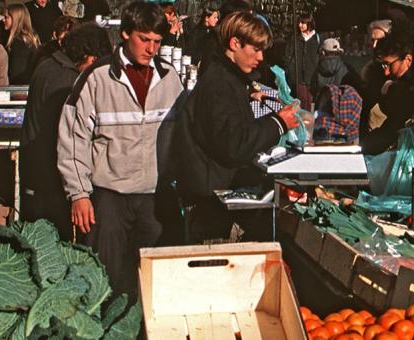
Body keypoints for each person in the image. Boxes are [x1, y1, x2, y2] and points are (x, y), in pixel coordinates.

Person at [57, 1, 184, 299]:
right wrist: (79, 195)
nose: (151, 48)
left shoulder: (170, 79)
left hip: (155, 197)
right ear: (125, 34)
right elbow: (73, 138)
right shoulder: (97, 77)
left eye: (157, 41)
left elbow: (184, 136)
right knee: (106, 281)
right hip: (109, 197)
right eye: (144, 39)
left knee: (154, 285)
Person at [176, 11, 300, 244]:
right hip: (212, 206)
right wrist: (279, 123)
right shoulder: (219, 83)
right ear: (235, 44)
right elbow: (234, 144)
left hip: (216, 195)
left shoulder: (228, 79)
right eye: (256, 49)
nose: (261, 57)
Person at [20, 23, 111, 242]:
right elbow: (67, 136)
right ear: (89, 57)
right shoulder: (68, 82)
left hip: (37, 175)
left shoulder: (47, 66)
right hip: (52, 181)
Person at [360, 33, 414, 155]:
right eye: (384, 65)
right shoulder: (394, 83)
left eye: (389, 65)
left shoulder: (409, 88)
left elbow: (394, 126)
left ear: (408, 60)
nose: (386, 72)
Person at [286, 14, 320, 111]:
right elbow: (288, 56)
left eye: (303, 23)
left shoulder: (316, 39)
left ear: (309, 23)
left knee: (310, 101)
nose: (300, 25)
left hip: (312, 76)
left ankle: (308, 123)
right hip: (298, 76)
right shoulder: (295, 38)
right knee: (301, 101)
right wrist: (290, 71)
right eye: (299, 22)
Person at [5, 4, 40, 85]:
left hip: (19, 89)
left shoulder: (18, 43)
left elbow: (16, 72)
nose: (4, 20)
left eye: (7, 17)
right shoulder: (31, 39)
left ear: (16, 19)